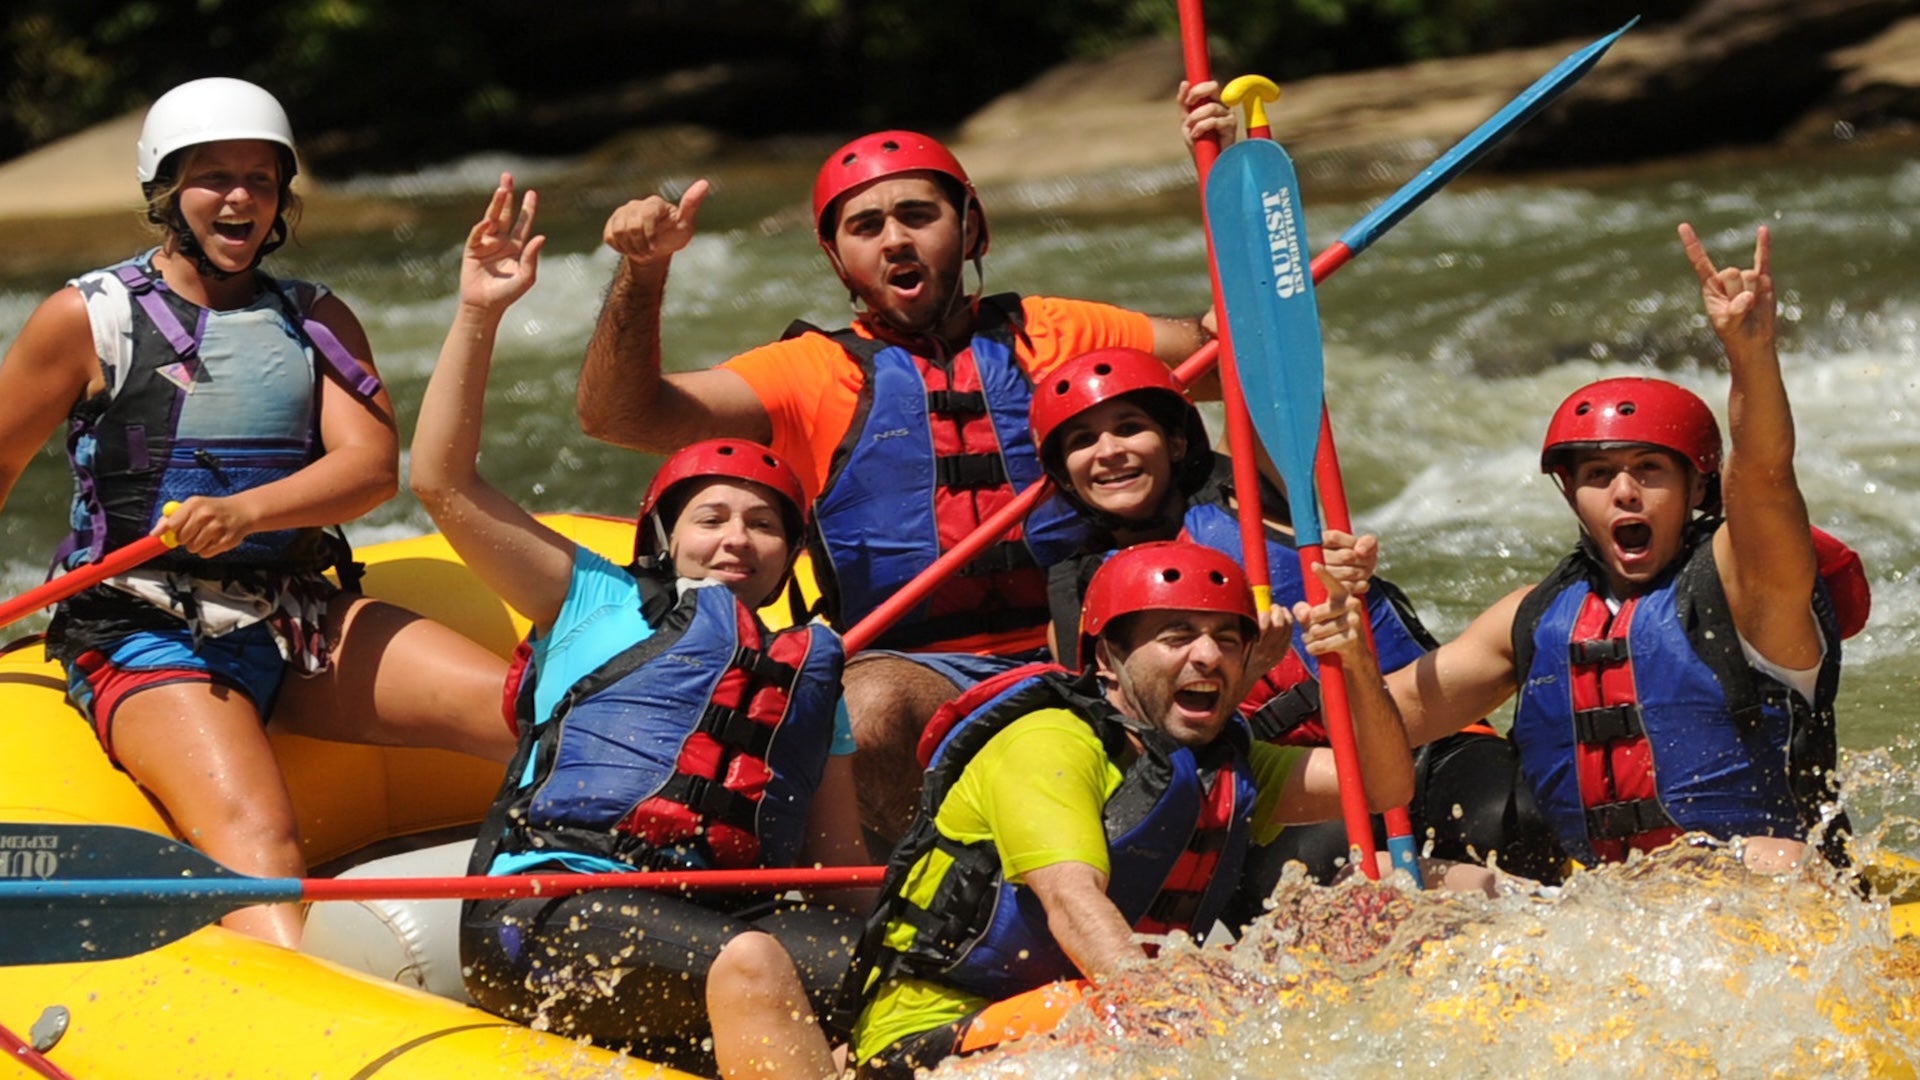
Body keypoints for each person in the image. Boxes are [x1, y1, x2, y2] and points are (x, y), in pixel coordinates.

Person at [576, 92, 1234, 845]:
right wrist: (643, 274)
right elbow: (617, 417)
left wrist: (1221, 179)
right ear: (836, 258)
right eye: (866, 227)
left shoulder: (1059, 332)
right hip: (923, 671)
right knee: (869, 702)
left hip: (1098, 651)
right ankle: (928, 899)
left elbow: (1237, 349)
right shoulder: (808, 373)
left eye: (918, 216)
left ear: (971, 226)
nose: (895, 240)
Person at [0, 77, 513, 948]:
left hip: (295, 612)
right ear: (166, 191)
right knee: (263, 848)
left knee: (525, 718)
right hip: (138, 625)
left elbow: (367, 468)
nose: (240, 197)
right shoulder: (88, 318)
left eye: (261, 179)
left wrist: (244, 512)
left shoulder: (312, 317)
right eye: (214, 177)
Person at [412, 176, 869, 1078]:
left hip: (726, 922)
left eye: (764, 522)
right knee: (755, 963)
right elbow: (442, 482)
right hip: (546, 914)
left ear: (790, 552)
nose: (737, 537)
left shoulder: (808, 669)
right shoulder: (590, 596)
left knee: (903, 978)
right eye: (712, 517)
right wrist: (478, 311)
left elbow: (842, 865)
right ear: (664, 535)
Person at [836, 540, 1418, 1077]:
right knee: (1184, 1007)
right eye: (1177, 636)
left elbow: (1383, 786)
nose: (1208, 656)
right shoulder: (1048, 743)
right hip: (928, 1033)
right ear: (1109, 659)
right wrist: (1176, 1023)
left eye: (1228, 639)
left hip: (1090, 1009)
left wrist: (1358, 660)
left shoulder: (1222, 765)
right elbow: (1072, 900)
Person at [1388, 224, 1853, 875]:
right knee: (1399, 881)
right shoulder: (1532, 616)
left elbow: (1767, 475)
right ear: (1571, 493)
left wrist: (1750, 356)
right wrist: (1342, 647)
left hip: (1755, 892)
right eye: (1600, 476)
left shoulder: (1750, 587)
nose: (1625, 492)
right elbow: (1377, 732)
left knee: (1776, 861)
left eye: (1649, 471)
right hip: (1601, 905)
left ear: (1697, 486)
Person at [1028, 346, 1566, 892]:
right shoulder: (1076, 609)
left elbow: (1270, 369)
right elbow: (1146, 750)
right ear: (1063, 476)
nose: (1110, 451)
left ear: (1174, 440)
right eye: (1082, 441)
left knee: (1518, 816)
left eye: (1128, 427)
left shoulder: (1252, 495)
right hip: (1295, 788)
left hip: (1416, 734)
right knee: (1370, 881)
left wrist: (1334, 571)